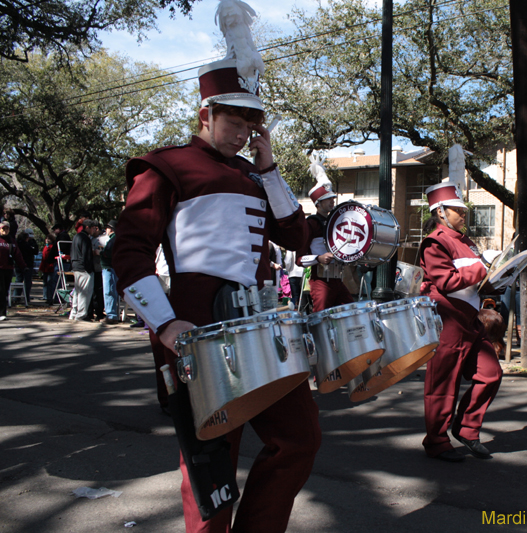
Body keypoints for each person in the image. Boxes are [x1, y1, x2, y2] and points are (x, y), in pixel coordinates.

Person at [112, 38, 319, 531]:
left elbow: (297, 236)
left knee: (299, 439)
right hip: (198, 326)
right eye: (234, 121)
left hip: (262, 325)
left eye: (252, 124)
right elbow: (129, 251)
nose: (244, 134)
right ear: (205, 112)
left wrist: (269, 169)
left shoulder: (255, 173)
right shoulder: (165, 164)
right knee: (211, 467)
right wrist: (163, 323)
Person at [419, 182, 502, 461]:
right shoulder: (435, 241)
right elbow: (446, 281)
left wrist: (499, 276)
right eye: (457, 210)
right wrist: (481, 268)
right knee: (443, 384)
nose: (463, 214)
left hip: (471, 318)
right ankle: (437, 441)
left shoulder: (466, 241)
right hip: (447, 319)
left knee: (491, 372)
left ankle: (466, 428)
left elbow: (477, 281)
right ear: (441, 211)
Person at [297, 177, 353, 313]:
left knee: (350, 312)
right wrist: (318, 258)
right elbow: (299, 259)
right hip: (320, 280)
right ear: (318, 203)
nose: (332, 201)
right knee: (320, 318)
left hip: (338, 279)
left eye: (332, 198)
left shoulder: (335, 223)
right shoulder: (311, 224)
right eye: (327, 199)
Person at [69, 219, 101, 321]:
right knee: (85, 292)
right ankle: (81, 314)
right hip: (84, 269)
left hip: (76, 266)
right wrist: (88, 269)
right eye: (92, 228)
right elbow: (86, 255)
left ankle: (74, 312)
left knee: (77, 292)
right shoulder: (85, 238)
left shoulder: (76, 237)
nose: (93, 230)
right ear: (87, 227)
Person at [1, 221, 26, 320]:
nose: (5, 230)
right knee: (1, 290)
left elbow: (17, 254)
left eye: (7, 229)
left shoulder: (11, 241)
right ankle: (1, 312)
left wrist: (23, 266)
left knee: (5, 291)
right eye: (3, 228)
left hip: (8, 268)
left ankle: (2, 312)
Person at [99, 220, 119, 324]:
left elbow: (108, 254)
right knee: (110, 291)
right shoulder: (114, 239)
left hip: (109, 268)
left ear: (110, 229)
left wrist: (101, 253)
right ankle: (112, 314)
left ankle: (111, 315)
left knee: (109, 291)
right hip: (110, 268)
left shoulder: (113, 240)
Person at [15, 230, 38, 303]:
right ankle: (25, 298)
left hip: (19, 264)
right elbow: (34, 251)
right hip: (27, 264)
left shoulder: (17, 244)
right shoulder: (25, 245)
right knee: (26, 282)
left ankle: (16, 297)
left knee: (19, 280)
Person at [39, 233, 59, 305]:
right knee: (45, 283)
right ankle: (45, 296)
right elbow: (43, 258)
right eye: (46, 239)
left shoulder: (52, 247)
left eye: (49, 239)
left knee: (50, 282)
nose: (47, 240)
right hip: (45, 267)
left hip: (50, 267)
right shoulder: (45, 247)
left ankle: (50, 297)